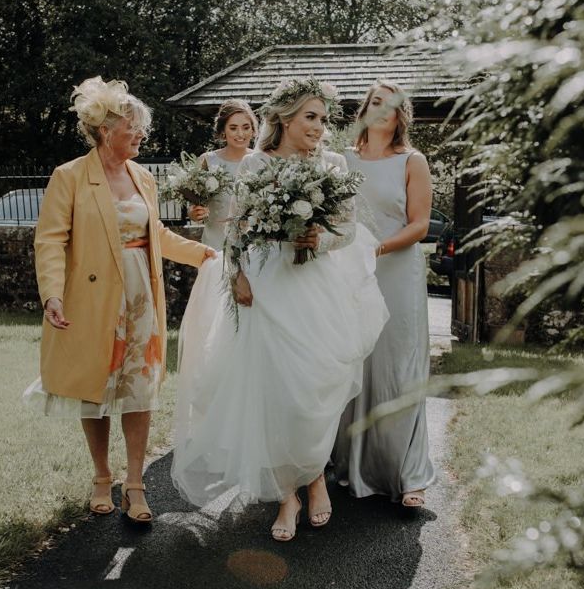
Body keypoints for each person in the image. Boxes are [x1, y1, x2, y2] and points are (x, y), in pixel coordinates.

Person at [171, 78, 388, 541]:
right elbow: (236, 227)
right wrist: (237, 276)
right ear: (285, 118)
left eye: (324, 119)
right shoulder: (255, 162)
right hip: (266, 285)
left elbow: (347, 230)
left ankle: (314, 478)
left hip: (317, 288)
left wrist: (320, 238)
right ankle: (289, 494)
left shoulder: (332, 163)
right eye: (310, 116)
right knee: (276, 389)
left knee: (314, 386)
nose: (318, 126)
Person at [24, 77, 216, 523]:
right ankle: (100, 476)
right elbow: (49, 241)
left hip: (141, 297)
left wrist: (200, 254)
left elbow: (158, 236)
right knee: (96, 387)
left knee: (138, 388)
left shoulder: (143, 177)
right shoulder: (69, 176)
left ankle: (135, 483)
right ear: (108, 129)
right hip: (92, 299)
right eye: (135, 127)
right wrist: (51, 294)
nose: (142, 135)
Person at [332, 80, 436, 507]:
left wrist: (378, 247)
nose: (381, 111)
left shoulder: (412, 161)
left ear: (399, 117)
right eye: (375, 102)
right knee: (354, 362)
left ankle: (408, 475)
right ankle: (348, 463)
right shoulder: (341, 161)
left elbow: (419, 224)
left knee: (397, 367)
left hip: (397, 273)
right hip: (350, 274)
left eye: (390, 106)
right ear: (365, 110)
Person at [188, 99, 257, 249]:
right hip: (216, 244)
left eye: (246, 127)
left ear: (253, 129)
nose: (240, 134)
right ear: (223, 131)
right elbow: (193, 205)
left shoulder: (260, 161)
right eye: (233, 128)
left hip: (254, 245)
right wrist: (194, 213)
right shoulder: (207, 160)